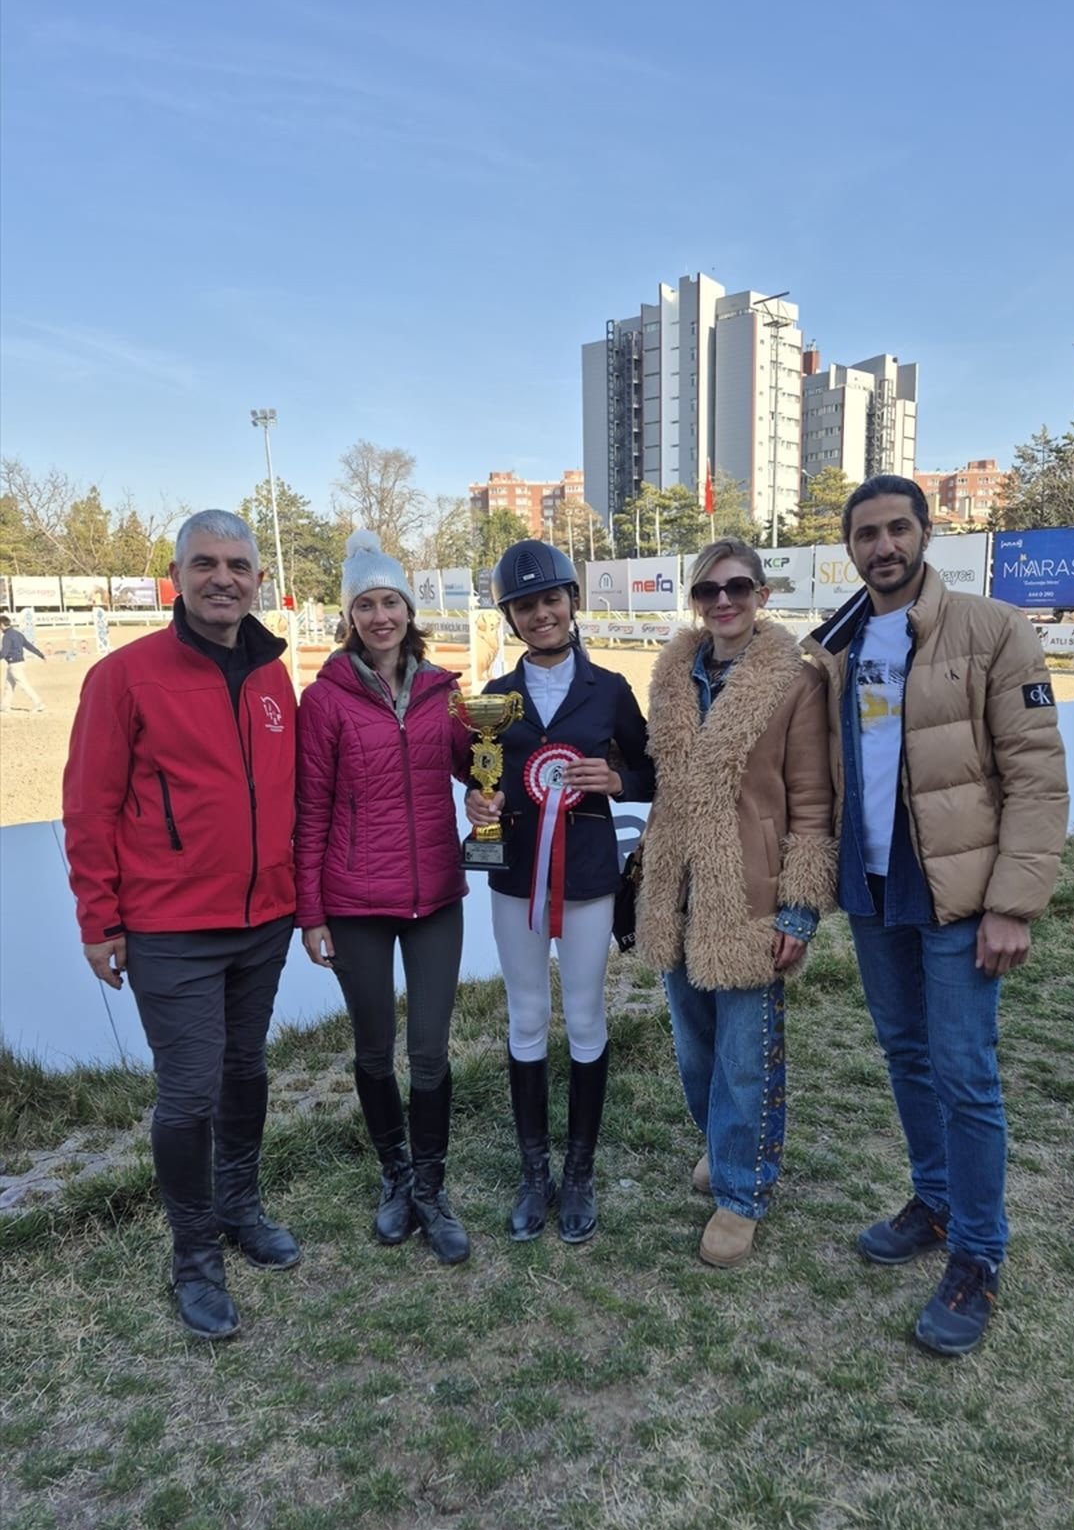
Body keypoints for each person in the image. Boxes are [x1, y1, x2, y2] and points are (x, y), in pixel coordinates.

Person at [805, 475, 1068, 1356]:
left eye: (898, 529)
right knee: (907, 1054)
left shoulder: (992, 630)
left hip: (960, 894)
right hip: (876, 889)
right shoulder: (838, 643)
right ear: (849, 548)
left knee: (965, 1072)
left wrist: (1012, 904)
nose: (883, 546)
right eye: (866, 534)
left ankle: (980, 1255)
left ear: (927, 534)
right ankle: (936, 1200)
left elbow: (1036, 777)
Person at [62, 510, 300, 1341]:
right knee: (190, 1091)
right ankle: (195, 1257)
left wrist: (297, 896)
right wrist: (100, 918)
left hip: (264, 919)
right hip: (170, 927)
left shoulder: (275, 675)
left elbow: (286, 796)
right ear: (177, 575)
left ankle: (239, 1207)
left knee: (246, 1072)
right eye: (205, 563)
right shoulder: (123, 676)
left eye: (238, 564)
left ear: (259, 580)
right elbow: (89, 807)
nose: (222, 578)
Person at [638, 539, 836, 1269]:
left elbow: (813, 803)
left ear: (760, 593)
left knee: (745, 1059)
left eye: (739, 587)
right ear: (694, 600)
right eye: (708, 590)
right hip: (677, 891)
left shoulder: (795, 684)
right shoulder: (670, 678)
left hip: (751, 897)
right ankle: (725, 1148)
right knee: (697, 1057)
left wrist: (799, 908)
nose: (724, 601)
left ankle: (743, 1191)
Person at [465, 540, 654, 1245]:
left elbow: (648, 769)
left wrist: (619, 783)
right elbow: (479, 780)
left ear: (572, 602)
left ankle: (578, 1172)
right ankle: (532, 1171)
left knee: (582, 1016)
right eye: (524, 604)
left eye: (551, 598)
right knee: (524, 1015)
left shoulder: (609, 689)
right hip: (515, 876)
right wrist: (477, 808)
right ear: (510, 617)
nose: (540, 613)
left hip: (587, 875)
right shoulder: (489, 701)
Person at [296, 531, 473, 1266]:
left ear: (409, 608)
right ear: (349, 616)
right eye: (364, 604)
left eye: (390, 601)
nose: (379, 616)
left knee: (429, 1052)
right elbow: (309, 811)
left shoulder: (443, 691)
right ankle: (394, 1175)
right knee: (375, 1051)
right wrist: (310, 914)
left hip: (435, 896)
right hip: (354, 904)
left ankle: (431, 1186)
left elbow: (474, 768)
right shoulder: (324, 699)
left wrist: (491, 790)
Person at [1, 613, 47, 713]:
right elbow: (29, 646)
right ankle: (5, 705)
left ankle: (38, 703)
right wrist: (41, 655)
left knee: (24, 685)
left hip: (14, 664)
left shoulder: (7, 636)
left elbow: (4, 652)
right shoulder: (18, 634)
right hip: (19, 662)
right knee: (9, 685)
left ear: (2, 625)